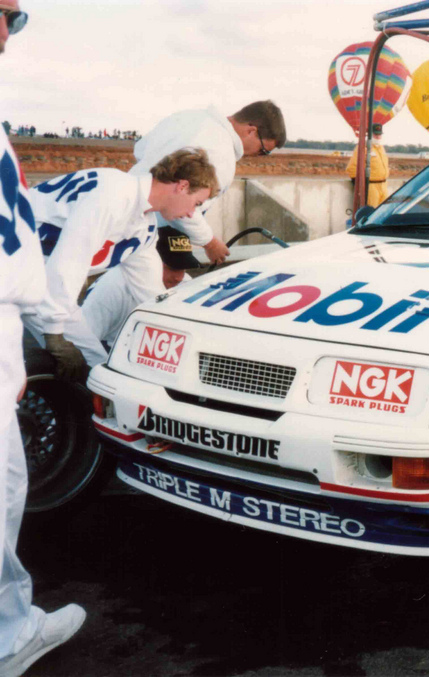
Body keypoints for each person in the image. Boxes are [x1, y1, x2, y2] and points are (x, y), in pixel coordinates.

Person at [0, 5, 87, 675]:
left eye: (16, 19)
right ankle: (11, 629)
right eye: (5, 16)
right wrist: (49, 331)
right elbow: (174, 259)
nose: (8, 32)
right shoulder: (133, 201)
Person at [23, 149, 219, 380]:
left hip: (32, 273)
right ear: (182, 186)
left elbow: (151, 296)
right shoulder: (116, 193)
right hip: (13, 261)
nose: (191, 213)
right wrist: (54, 333)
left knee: (97, 367)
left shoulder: (143, 227)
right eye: (196, 203)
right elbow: (71, 259)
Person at [129, 100, 286, 264]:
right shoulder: (221, 156)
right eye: (263, 150)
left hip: (135, 210)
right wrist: (210, 243)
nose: (259, 156)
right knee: (171, 278)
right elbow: (183, 209)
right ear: (251, 131)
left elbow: (140, 150)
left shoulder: (186, 116)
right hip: (162, 224)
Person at [81, 226, 198, 349]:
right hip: (112, 351)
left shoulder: (185, 282)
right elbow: (85, 341)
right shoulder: (111, 288)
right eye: (172, 268)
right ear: (149, 261)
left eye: (183, 268)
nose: (178, 277)